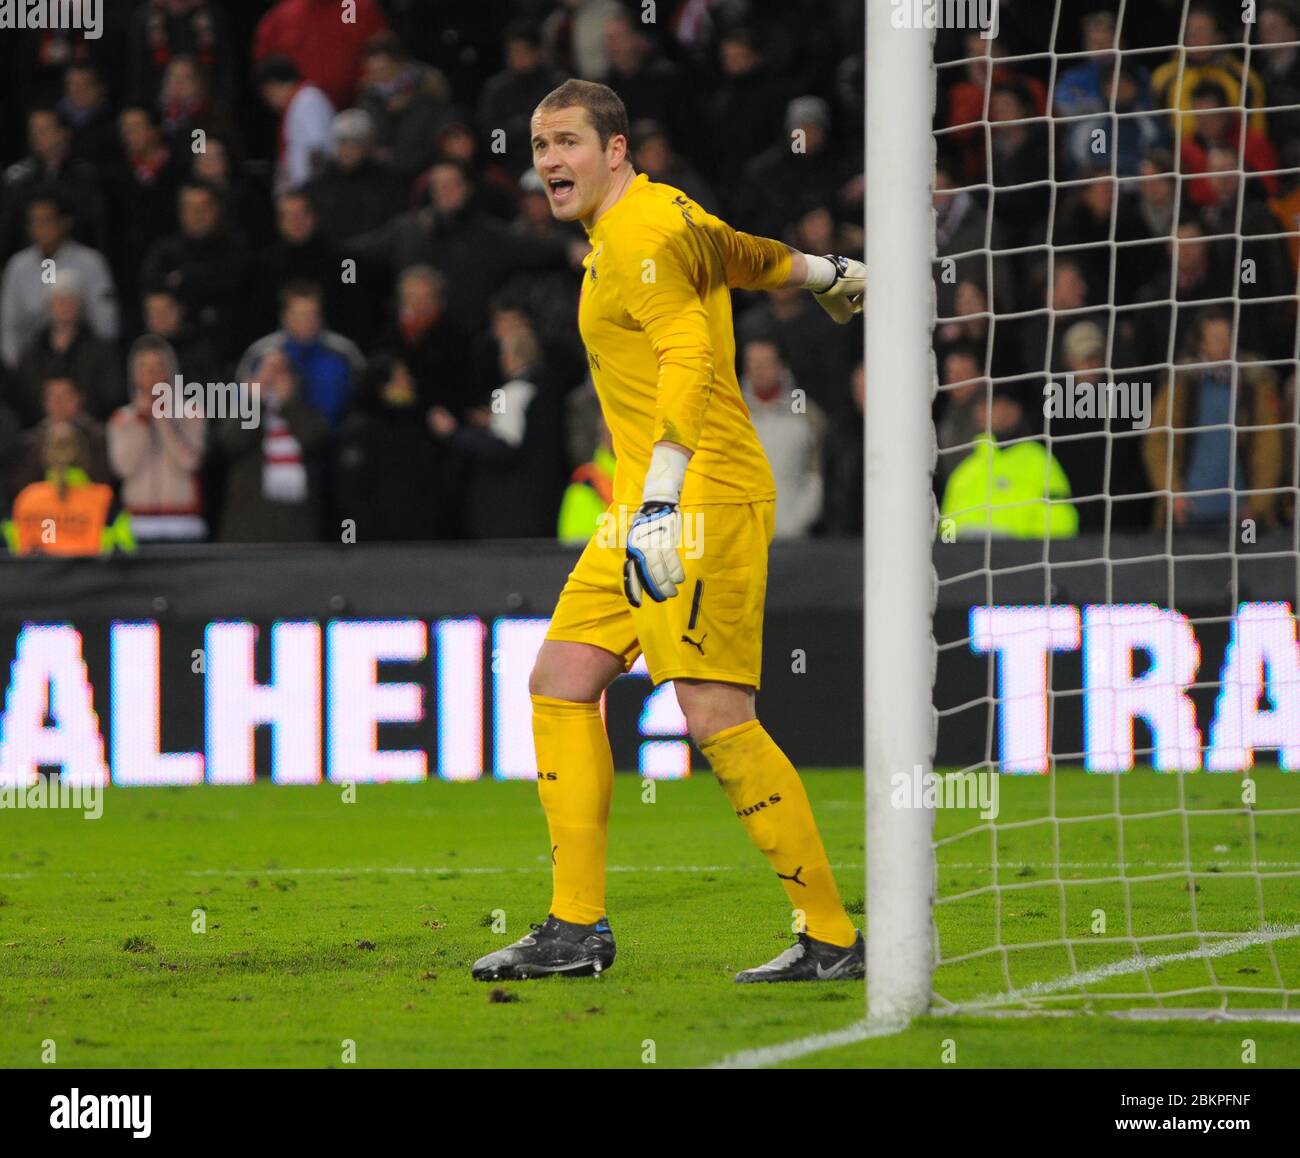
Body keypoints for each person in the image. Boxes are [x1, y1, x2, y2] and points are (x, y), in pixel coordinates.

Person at [470, 79, 866, 985]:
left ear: (615, 151)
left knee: (715, 714)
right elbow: (740, 253)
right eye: (539, 146)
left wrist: (661, 491)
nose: (550, 162)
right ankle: (576, 930)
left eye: (567, 141)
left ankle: (832, 936)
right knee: (563, 679)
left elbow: (689, 355)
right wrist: (827, 274)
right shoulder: (662, 214)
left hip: (697, 496)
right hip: (652, 500)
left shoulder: (640, 236)